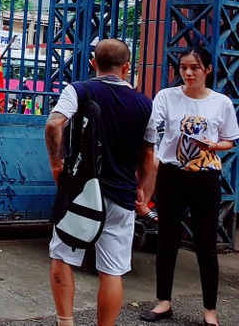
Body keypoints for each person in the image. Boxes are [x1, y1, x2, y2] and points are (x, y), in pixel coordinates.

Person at [44, 39, 154, 326]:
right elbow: (148, 155)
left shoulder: (78, 90)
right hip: (120, 195)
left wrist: (57, 165)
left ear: (93, 63)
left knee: (63, 255)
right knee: (112, 270)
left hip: (79, 192)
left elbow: (54, 124)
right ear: (127, 67)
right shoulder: (145, 104)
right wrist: (140, 187)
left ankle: (65, 322)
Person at [138, 47, 237, 326]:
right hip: (172, 174)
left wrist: (214, 145)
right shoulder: (167, 97)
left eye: (194, 67)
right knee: (167, 240)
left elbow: (230, 140)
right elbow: (150, 130)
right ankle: (164, 302)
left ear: (207, 69)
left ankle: (210, 311)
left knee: (205, 244)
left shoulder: (221, 102)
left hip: (205, 177)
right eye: (183, 67)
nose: (188, 73)